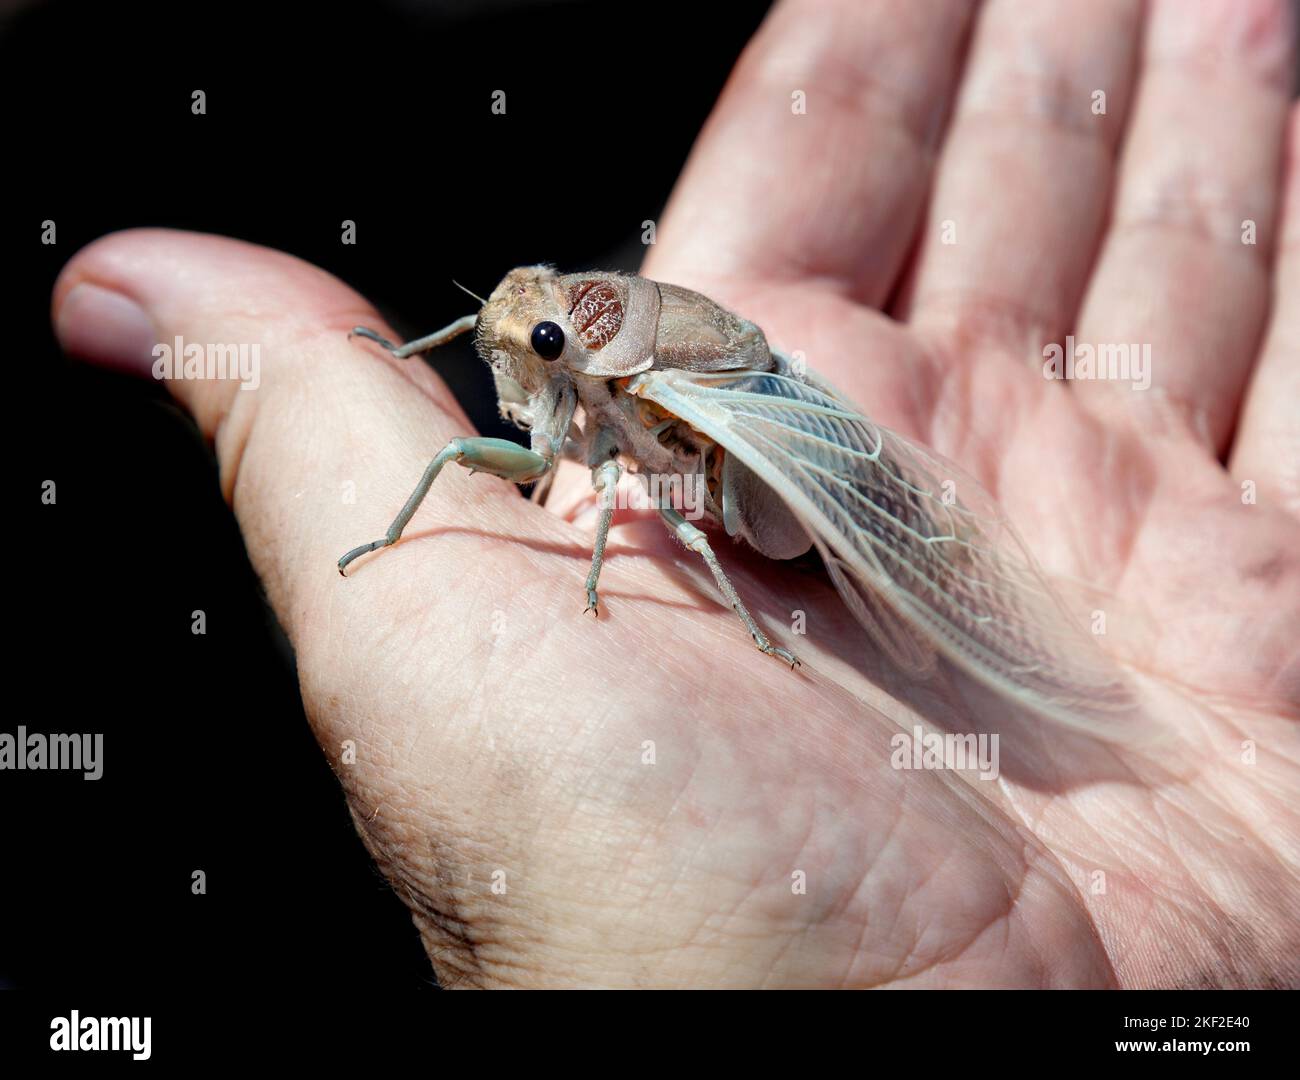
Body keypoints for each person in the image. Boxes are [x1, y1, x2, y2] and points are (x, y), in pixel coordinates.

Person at [52, 0, 1299, 988]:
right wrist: (432, 350)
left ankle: (904, 591)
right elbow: (520, 340)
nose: (520, 346)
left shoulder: (629, 392)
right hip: (711, 407)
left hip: (771, 473)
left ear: (592, 357)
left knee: (658, 498)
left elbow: (668, 506)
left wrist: (721, 608)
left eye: (548, 346)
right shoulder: (570, 348)